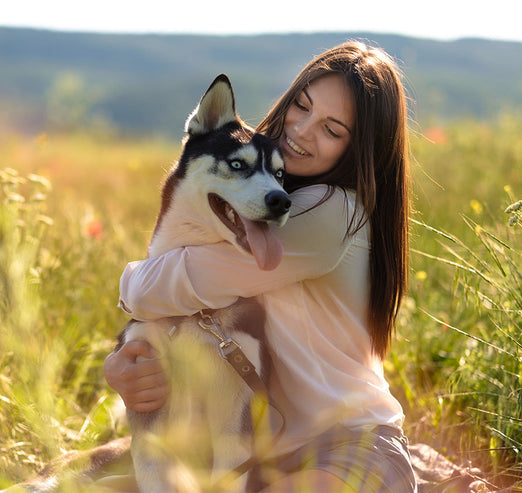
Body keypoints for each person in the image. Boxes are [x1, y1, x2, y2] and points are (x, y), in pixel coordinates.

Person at [104, 40, 415, 492]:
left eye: (332, 129)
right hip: (265, 449)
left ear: (361, 147)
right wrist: (123, 366)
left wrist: (130, 284)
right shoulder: (255, 205)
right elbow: (182, 316)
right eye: (302, 106)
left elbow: (172, 284)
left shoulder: (330, 213)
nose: (303, 131)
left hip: (353, 447)